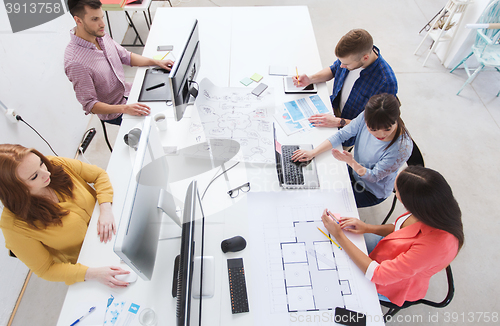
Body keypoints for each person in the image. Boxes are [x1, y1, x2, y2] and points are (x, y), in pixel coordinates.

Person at [320, 166, 464, 307]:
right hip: (390, 249)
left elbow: (379, 275)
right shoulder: (434, 209)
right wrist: (367, 227)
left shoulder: (436, 246)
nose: (394, 193)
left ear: (413, 202)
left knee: (335, 285)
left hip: (391, 283)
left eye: (396, 191)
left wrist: (339, 236)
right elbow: (399, 228)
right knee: (340, 249)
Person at [0, 144, 130, 287]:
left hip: (116, 223)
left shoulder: (55, 164)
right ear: (15, 189)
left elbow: (98, 175)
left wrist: (105, 208)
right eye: (34, 176)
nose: (47, 173)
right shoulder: (14, 226)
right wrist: (93, 273)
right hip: (93, 261)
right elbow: (46, 269)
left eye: (41, 164)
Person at [64, 0, 175, 125]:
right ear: (78, 21)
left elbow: (125, 56)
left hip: (129, 91)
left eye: (102, 17)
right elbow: (90, 104)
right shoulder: (75, 62)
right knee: (162, 121)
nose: (102, 24)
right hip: (116, 112)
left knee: (171, 93)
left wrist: (156, 62)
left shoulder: (99, 34)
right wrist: (125, 109)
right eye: (95, 19)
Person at [291, 93, 412, 208]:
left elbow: (374, 176)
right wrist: (313, 152)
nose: (380, 134)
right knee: (317, 182)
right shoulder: (366, 115)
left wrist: (351, 162)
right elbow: (342, 134)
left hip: (371, 190)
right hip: (355, 171)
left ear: (396, 119)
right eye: (373, 129)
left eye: (387, 129)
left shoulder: (402, 148)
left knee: (326, 202)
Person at [293, 29, 397, 146]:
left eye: (346, 64)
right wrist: (310, 79)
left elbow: (374, 126)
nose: (342, 66)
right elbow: (334, 69)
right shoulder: (353, 56)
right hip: (332, 109)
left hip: (348, 131)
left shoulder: (386, 83)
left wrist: (339, 122)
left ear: (365, 57)